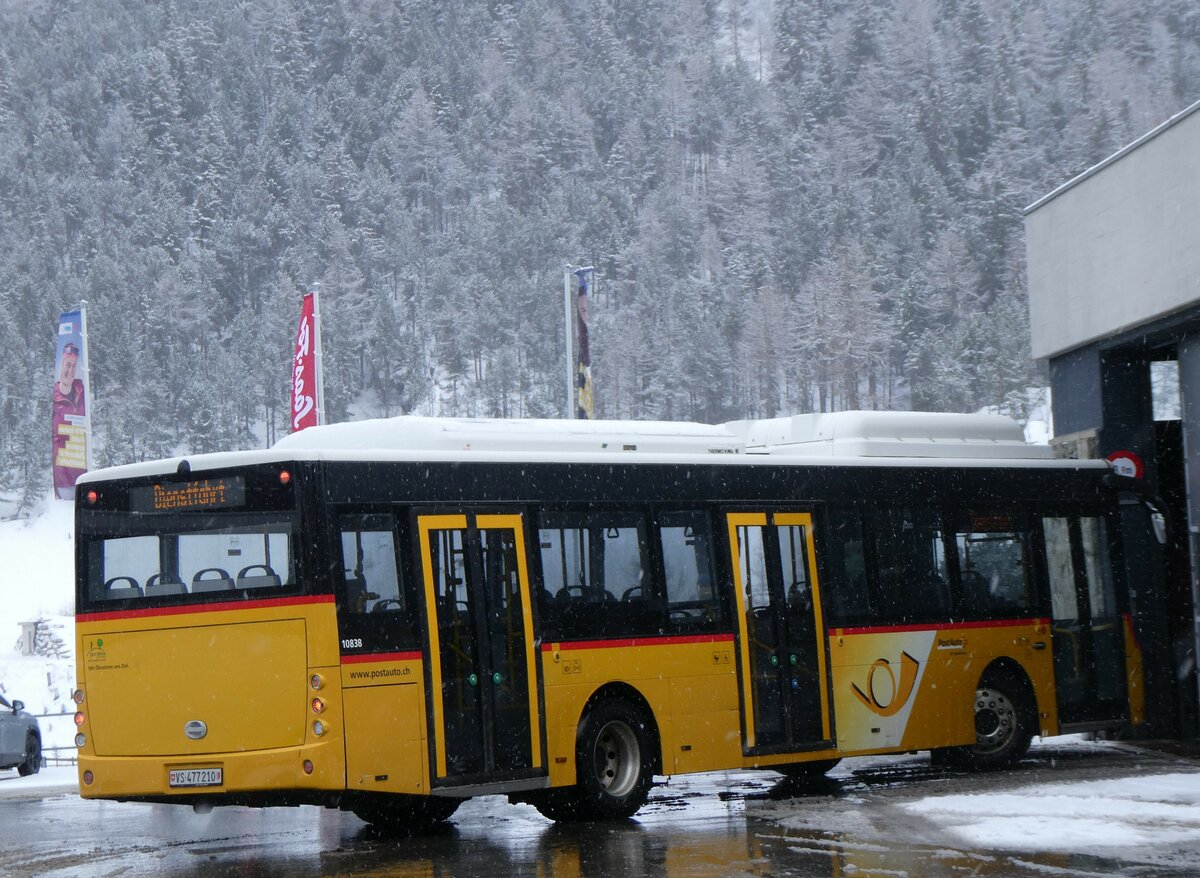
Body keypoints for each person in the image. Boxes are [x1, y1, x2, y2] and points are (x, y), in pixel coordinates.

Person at [52, 342, 86, 499]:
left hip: (83, 477)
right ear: (61, 364)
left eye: (74, 366)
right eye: (67, 364)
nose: (71, 370)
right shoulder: (54, 396)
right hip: (63, 481)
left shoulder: (81, 389)